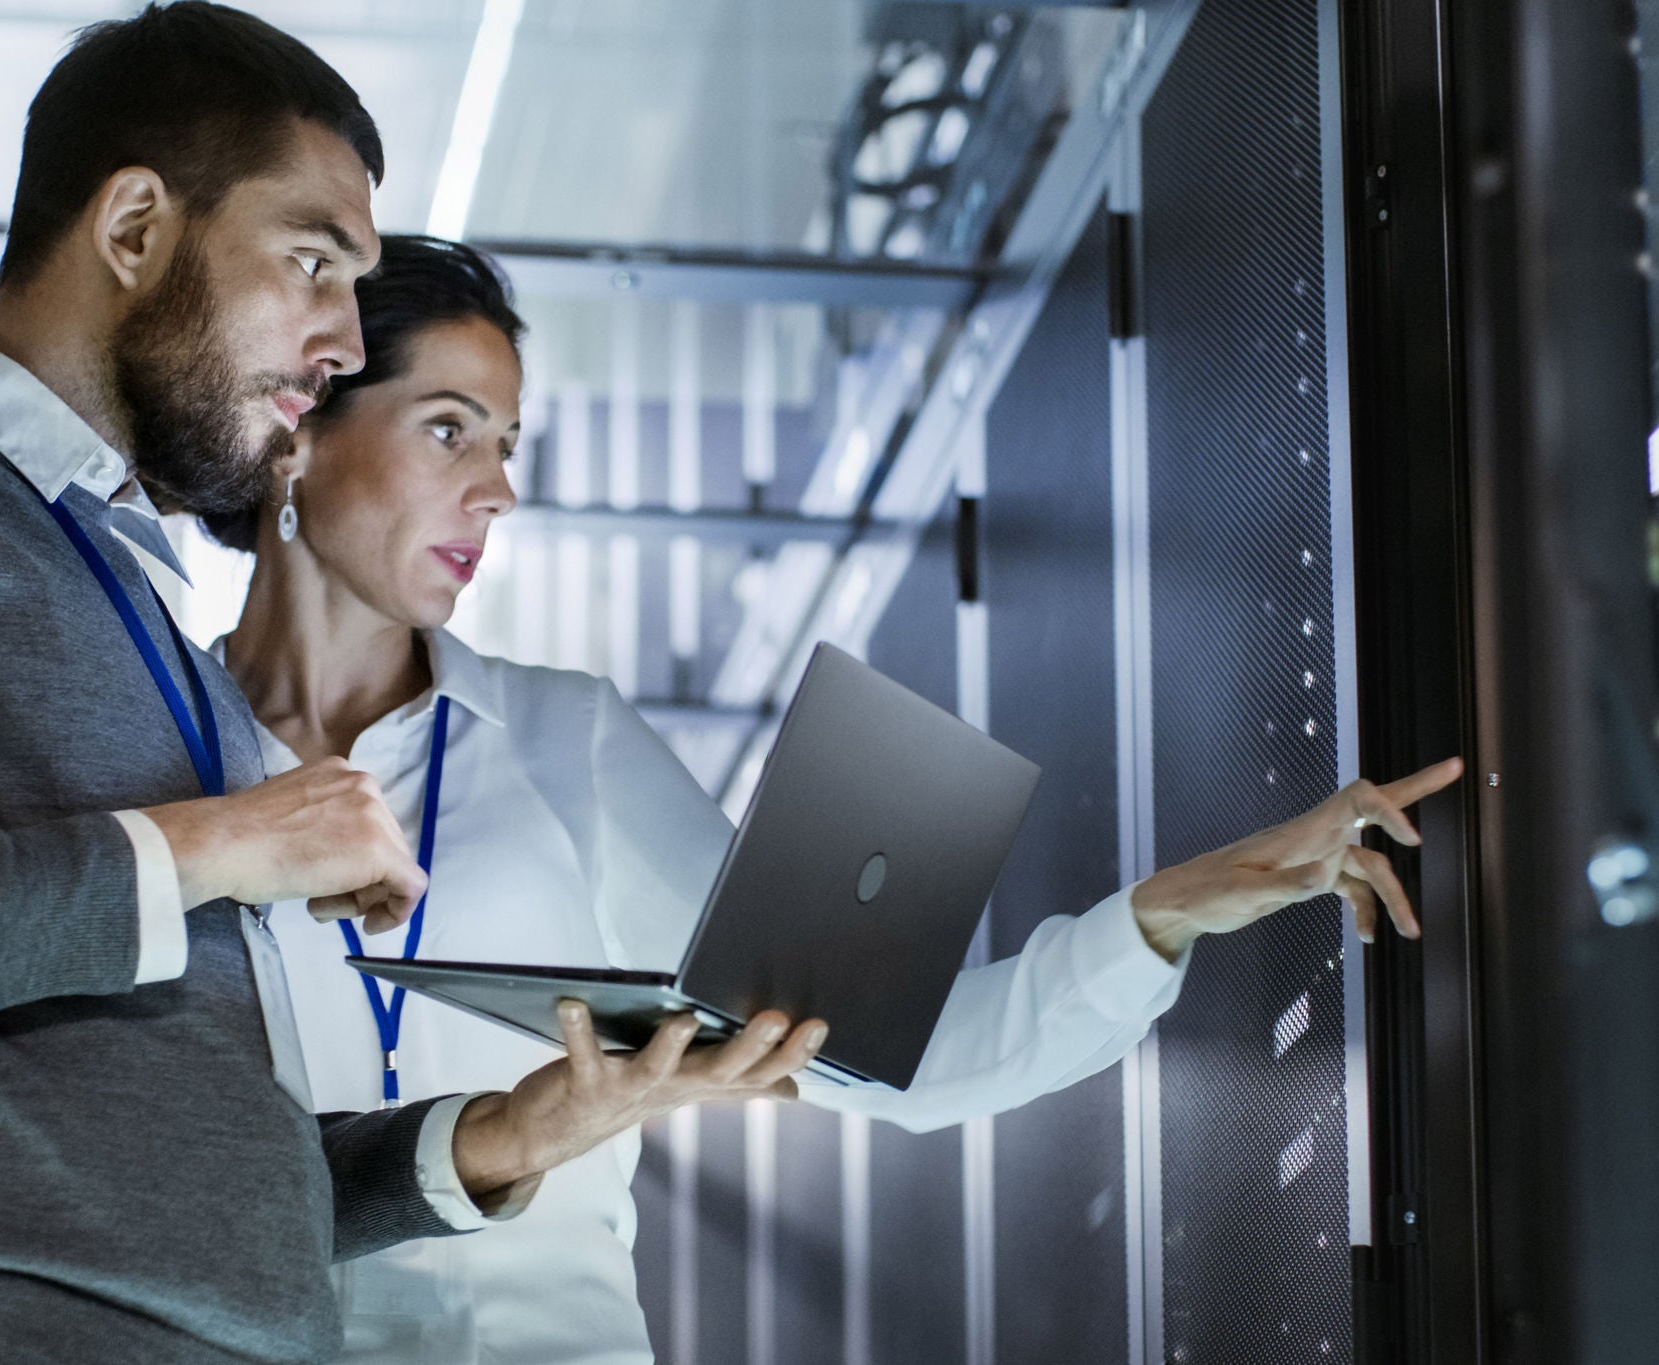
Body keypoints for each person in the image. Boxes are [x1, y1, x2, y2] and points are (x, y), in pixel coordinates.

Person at [0, 10, 823, 1365]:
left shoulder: (129, 591)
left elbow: (199, 1171)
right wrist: (225, 841)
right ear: (135, 228)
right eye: (312, 262)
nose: (336, 341)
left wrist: (512, 1131)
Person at [202, 234, 1464, 1364]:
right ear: (302, 424)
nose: (497, 491)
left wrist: (1165, 913)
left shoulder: (560, 738)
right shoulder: (158, 774)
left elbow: (888, 1065)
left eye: (507, 446)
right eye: (447, 429)